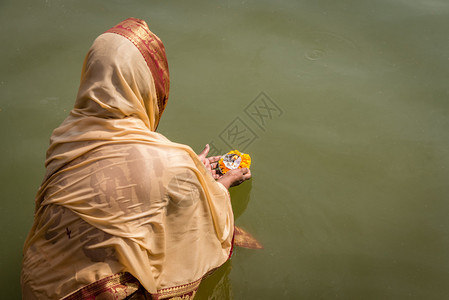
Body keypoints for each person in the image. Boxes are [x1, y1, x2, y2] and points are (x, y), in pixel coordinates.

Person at [21, 18, 251, 299]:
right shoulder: (171, 163)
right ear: (149, 87)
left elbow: (112, 199)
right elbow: (204, 229)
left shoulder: (66, 139)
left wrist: (188, 175)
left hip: (36, 286)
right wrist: (215, 190)